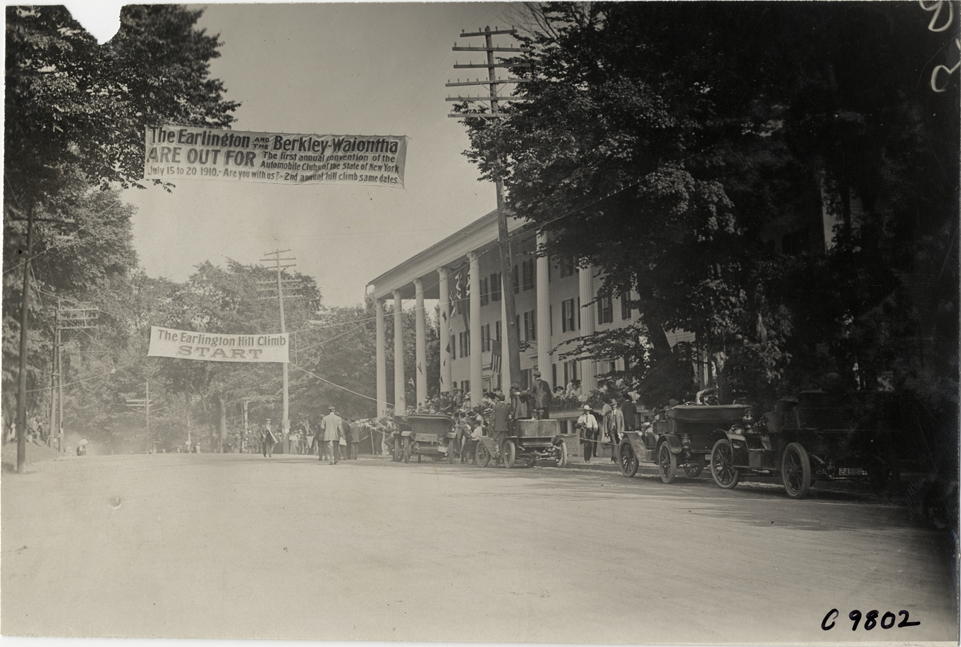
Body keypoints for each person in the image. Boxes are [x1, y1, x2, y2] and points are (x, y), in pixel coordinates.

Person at [490, 391, 512, 458]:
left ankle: (496, 455)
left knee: (496, 441)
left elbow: (493, 417)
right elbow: (509, 417)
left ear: (498, 399)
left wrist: (490, 425)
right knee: (503, 441)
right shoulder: (507, 407)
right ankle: (503, 454)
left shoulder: (495, 407)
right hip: (505, 427)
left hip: (497, 427)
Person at [605, 397, 625, 462]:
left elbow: (622, 423)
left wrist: (622, 431)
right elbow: (605, 423)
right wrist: (606, 432)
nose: (613, 406)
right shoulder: (607, 413)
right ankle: (615, 458)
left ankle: (615, 456)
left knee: (618, 443)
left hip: (618, 430)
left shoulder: (620, 413)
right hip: (611, 430)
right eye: (611, 405)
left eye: (614, 405)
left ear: (616, 405)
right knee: (614, 443)